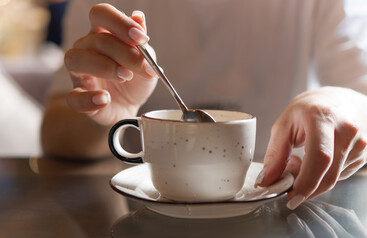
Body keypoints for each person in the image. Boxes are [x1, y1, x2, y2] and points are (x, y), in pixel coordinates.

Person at [41, 0, 367, 210]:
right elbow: (55, 134)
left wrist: (339, 103)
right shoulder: (109, 9)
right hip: (153, 217)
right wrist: (108, 110)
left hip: (277, 208)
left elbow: (361, 98)